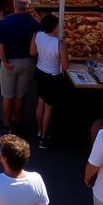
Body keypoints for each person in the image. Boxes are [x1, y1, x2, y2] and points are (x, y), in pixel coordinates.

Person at [0, 0, 40, 133]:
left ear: (14, 5)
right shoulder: (34, 24)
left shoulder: (4, 23)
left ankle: (7, 124)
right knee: (21, 94)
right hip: (27, 63)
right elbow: (35, 47)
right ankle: (17, 119)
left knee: (8, 95)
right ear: (27, 7)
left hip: (10, 62)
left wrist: (4, 61)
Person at [31, 14, 69, 149]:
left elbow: (32, 52)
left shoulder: (38, 35)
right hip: (53, 77)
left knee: (40, 102)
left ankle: (39, 130)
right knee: (49, 107)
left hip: (40, 72)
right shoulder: (60, 44)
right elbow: (65, 66)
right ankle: (44, 137)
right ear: (54, 28)